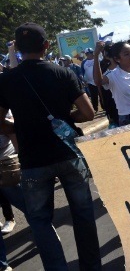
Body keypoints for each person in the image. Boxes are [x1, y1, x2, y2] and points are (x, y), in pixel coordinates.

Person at [0, 22, 101, 270]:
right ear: (46, 46)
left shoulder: (7, 80)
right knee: (83, 214)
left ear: (19, 49)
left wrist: (17, 128)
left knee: (40, 221)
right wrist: (66, 119)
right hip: (68, 153)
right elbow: (89, 113)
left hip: (33, 160)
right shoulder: (63, 73)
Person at [93, 40, 130, 126]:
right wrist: (96, 56)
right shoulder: (112, 75)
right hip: (128, 120)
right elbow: (98, 82)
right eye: (126, 54)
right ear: (117, 58)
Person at [81, 48, 102, 112]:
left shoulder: (98, 59)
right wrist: (83, 80)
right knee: (93, 96)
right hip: (90, 82)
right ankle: (95, 108)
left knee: (101, 94)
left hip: (100, 81)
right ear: (86, 54)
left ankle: (104, 107)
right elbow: (82, 72)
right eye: (88, 53)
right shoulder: (84, 62)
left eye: (91, 52)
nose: (91, 54)